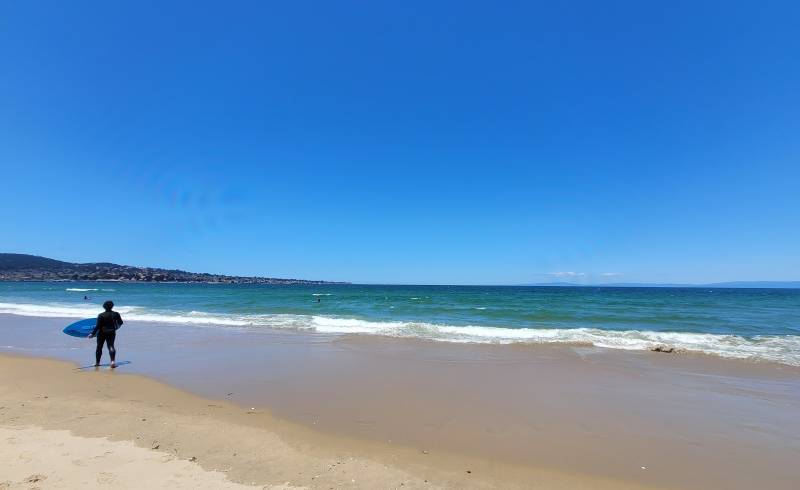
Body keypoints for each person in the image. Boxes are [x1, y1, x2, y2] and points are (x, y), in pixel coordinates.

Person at [89, 300, 123, 368]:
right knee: (111, 346)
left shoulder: (101, 315)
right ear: (112, 306)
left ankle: (97, 363)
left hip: (102, 332)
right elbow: (120, 323)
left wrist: (92, 334)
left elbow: (98, 326)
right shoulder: (116, 314)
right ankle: (112, 362)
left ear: (104, 307)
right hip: (111, 332)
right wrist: (115, 327)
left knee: (99, 347)